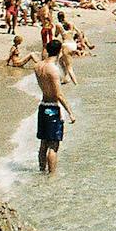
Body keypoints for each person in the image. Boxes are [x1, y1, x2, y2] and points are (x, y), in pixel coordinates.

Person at [33, 39, 75, 174]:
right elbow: (58, 94)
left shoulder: (38, 66)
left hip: (42, 106)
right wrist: (70, 112)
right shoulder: (53, 70)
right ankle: (52, 176)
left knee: (43, 143)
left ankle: (41, 171)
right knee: (53, 145)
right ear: (59, 51)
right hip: (52, 107)